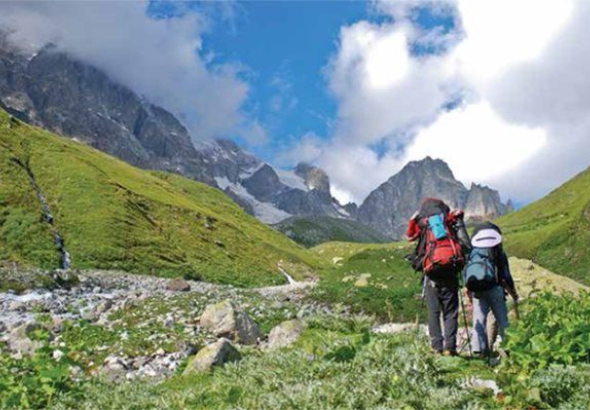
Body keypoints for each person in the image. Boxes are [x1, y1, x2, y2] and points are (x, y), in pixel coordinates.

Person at [406, 198, 470, 356]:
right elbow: (465, 246)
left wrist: (412, 221)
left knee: (433, 312)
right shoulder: (448, 222)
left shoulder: (423, 224)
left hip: (431, 275)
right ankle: (450, 347)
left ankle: (436, 347)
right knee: (451, 312)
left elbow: (410, 237)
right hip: (450, 273)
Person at [464, 222, 519, 356]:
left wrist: (468, 290)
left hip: (477, 290)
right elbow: (506, 275)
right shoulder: (497, 251)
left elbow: (466, 272)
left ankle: (479, 351)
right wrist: (513, 291)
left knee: (479, 319)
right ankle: (509, 349)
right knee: (502, 321)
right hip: (495, 289)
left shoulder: (473, 253)